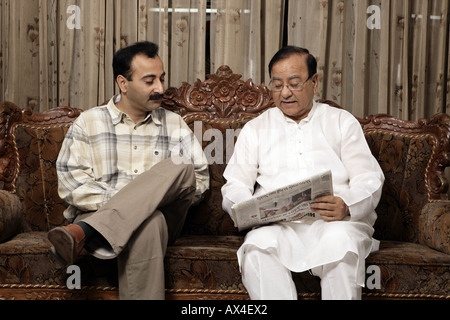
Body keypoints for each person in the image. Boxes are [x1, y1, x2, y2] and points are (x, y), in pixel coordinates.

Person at [47, 41, 209, 300]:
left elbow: (198, 180)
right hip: (113, 216)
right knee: (149, 221)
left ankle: (83, 234)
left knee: (183, 166)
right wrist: (137, 207)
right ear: (123, 83)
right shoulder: (89, 122)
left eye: (161, 78)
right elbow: (71, 183)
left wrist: (146, 198)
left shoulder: (174, 123)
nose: (160, 88)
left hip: (155, 219)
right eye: (149, 81)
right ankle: (100, 225)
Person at [221, 46, 384, 300]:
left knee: (339, 244)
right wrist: (248, 209)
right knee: (257, 248)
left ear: (314, 82)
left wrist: (347, 205)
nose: (285, 92)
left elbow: (369, 178)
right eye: (277, 85)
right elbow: (234, 184)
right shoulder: (256, 129)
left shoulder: (341, 122)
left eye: (294, 83)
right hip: (278, 226)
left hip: (333, 223)